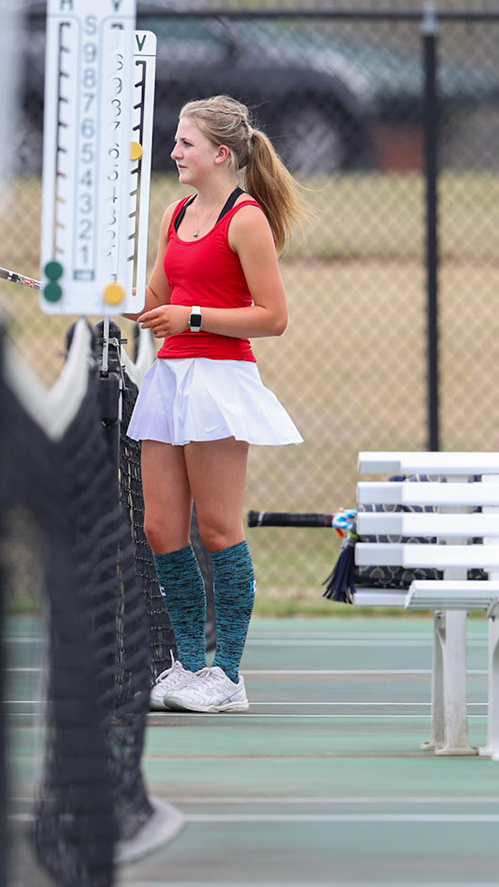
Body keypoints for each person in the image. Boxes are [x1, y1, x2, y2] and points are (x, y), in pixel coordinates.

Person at [128, 95, 306, 714]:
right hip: (170, 379)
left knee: (218, 528)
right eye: (176, 142)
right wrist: (100, 291)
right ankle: (186, 666)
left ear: (220, 154)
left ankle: (226, 676)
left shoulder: (246, 218)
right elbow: (154, 296)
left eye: (185, 143)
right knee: (160, 527)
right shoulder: (175, 213)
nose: (174, 152)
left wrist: (193, 315)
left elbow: (273, 317)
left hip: (219, 381)